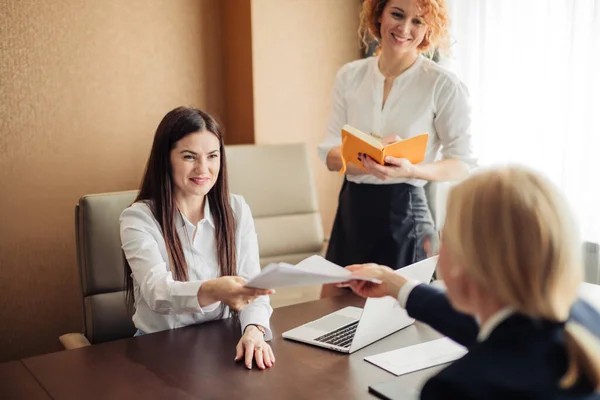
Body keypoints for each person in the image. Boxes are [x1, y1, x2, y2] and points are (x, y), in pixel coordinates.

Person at [344, 166, 600, 399]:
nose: (431, 247)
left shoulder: (458, 388)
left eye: (442, 238)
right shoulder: (585, 319)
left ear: (468, 259)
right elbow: (495, 331)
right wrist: (398, 285)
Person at [318, 0, 476, 298]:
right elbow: (330, 155)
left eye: (418, 21)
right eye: (397, 15)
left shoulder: (443, 84)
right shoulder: (349, 76)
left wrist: (412, 169)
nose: (405, 29)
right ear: (379, 15)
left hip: (405, 213)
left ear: (430, 28)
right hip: (352, 210)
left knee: (398, 322)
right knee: (332, 310)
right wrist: (368, 159)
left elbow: (462, 162)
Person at [120, 106, 275, 370]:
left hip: (221, 345)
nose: (203, 168)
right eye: (189, 156)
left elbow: (254, 287)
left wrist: (253, 330)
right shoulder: (138, 218)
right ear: (165, 158)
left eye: (212, 156)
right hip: (158, 351)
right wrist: (213, 290)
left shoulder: (236, 209)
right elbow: (157, 293)